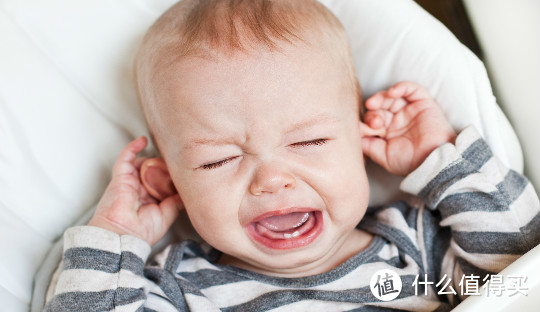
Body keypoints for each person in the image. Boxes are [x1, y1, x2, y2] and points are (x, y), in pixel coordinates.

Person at [45, 0, 540, 311]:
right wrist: (116, 237)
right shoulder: (182, 289)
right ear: (171, 181)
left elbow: (519, 261)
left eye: (309, 142)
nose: (272, 180)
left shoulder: (413, 247)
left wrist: (438, 157)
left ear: (360, 136)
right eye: (217, 160)